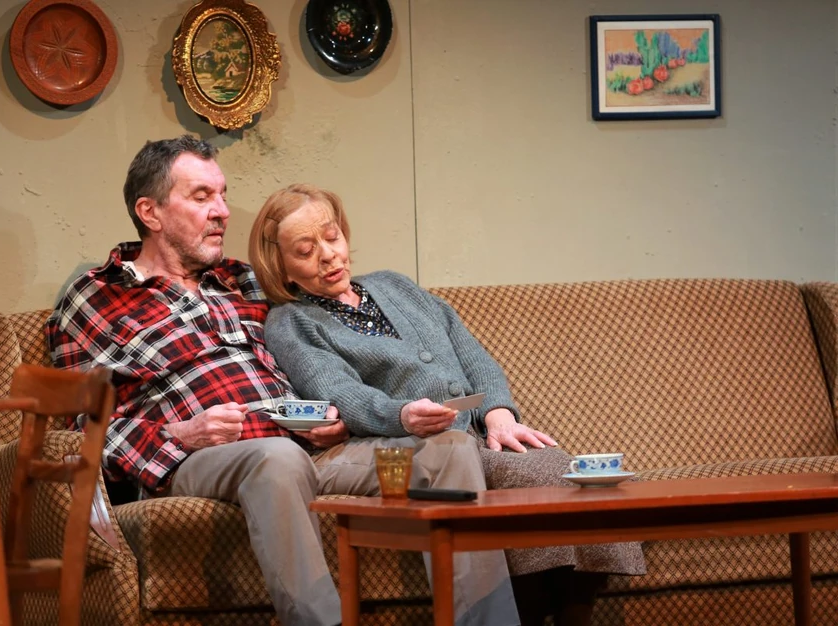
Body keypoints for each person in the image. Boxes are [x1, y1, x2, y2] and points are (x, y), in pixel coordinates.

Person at [46, 136, 520, 626]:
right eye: (202, 197)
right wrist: (180, 435)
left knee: (448, 449)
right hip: (199, 458)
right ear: (150, 212)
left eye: (223, 195)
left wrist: (332, 420)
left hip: (306, 449)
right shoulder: (96, 297)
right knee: (276, 458)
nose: (222, 211)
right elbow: (81, 429)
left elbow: (316, 363)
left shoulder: (243, 281)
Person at [248, 183, 648, 626]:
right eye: (306, 251)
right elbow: (342, 394)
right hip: (422, 446)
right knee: (535, 478)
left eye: (332, 236)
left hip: (479, 435)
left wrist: (499, 414)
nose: (329, 255)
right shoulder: (291, 323)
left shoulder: (393, 284)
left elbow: (472, 354)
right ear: (281, 267)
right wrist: (401, 415)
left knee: (567, 472)